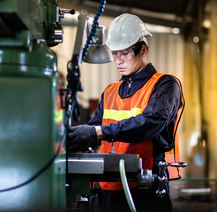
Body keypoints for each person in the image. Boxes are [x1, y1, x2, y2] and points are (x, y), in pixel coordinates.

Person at [67, 13, 185, 212]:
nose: (118, 60)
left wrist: (98, 133)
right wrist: (71, 135)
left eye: (125, 53)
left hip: (145, 189)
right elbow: (95, 126)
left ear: (143, 50)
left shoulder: (165, 85)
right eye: (114, 53)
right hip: (106, 188)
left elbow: (149, 123)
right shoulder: (111, 91)